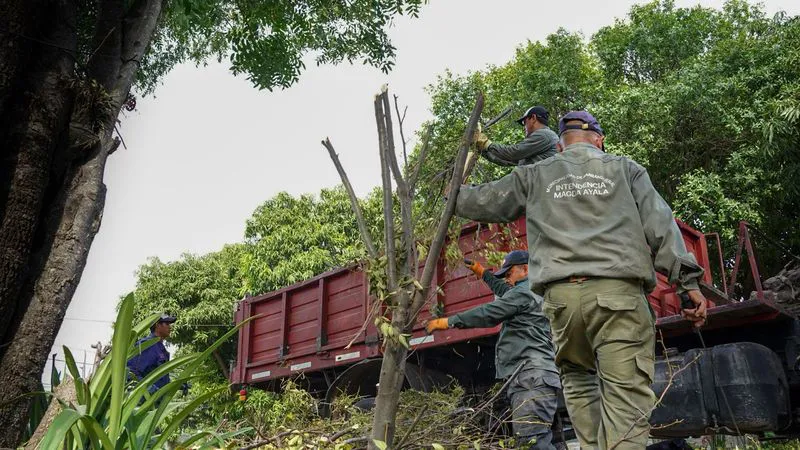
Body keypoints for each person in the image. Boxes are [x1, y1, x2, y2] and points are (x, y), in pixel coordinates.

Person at [449, 111, 708, 450]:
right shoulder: (625, 169)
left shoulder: (535, 174)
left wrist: (454, 191)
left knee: (579, 382)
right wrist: (688, 286)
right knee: (625, 396)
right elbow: (662, 228)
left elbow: (480, 201)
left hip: (562, 303)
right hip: (619, 298)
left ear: (560, 145)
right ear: (599, 140)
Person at [426, 250, 561, 449]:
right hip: (538, 376)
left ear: (525, 269)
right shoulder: (534, 291)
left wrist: (449, 321)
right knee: (541, 441)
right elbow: (506, 292)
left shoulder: (522, 294)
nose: (506, 279)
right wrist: (484, 274)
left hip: (531, 377)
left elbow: (488, 313)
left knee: (531, 442)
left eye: (509, 274)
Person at [475, 105, 558, 167]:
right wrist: (482, 150)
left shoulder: (545, 135)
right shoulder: (538, 144)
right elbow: (507, 160)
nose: (524, 127)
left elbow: (514, 153)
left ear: (533, 118)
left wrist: (486, 143)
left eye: (524, 122)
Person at [127, 313, 177, 398]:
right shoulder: (146, 345)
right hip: (144, 401)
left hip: (157, 401)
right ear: (157, 325)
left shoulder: (161, 349)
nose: (170, 327)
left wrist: (177, 385)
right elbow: (131, 373)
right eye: (167, 324)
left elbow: (160, 378)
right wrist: (150, 390)